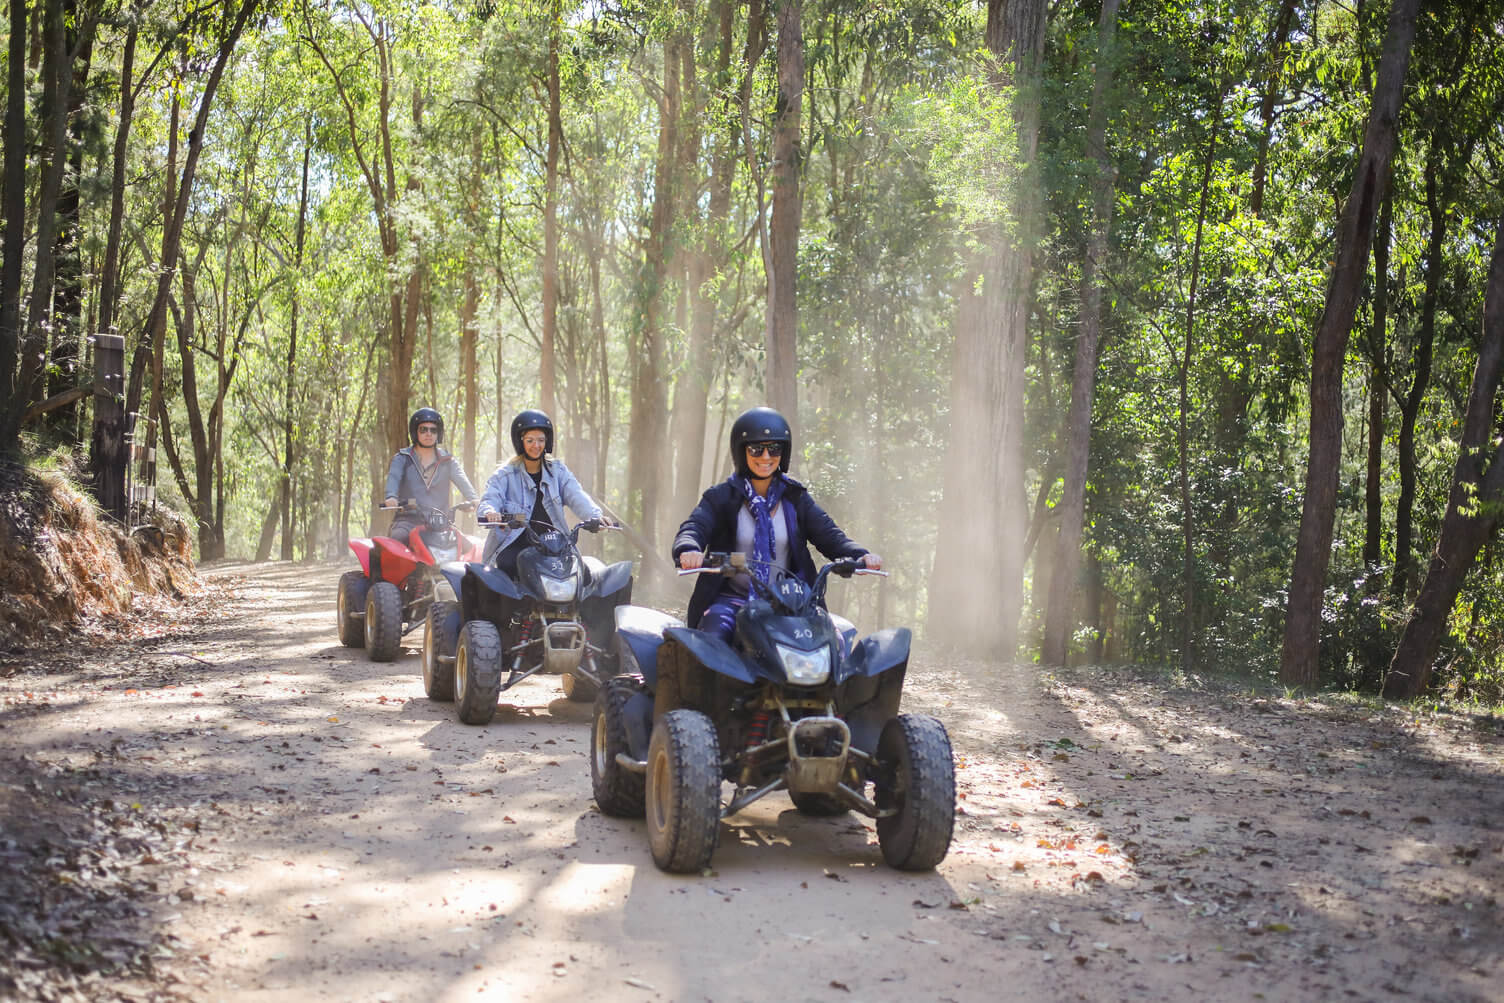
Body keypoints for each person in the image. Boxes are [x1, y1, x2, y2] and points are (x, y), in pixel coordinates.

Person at [672, 406, 882, 644]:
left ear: (784, 452)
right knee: (711, 641)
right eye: (756, 448)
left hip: (791, 603)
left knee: (834, 644)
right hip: (733, 601)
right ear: (741, 452)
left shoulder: (795, 497)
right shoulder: (721, 497)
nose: (765, 457)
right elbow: (694, 527)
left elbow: (830, 536)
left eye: (774, 448)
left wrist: (861, 555)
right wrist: (689, 549)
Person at [476, 409, 609, 578]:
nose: (536, 445)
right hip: (516, 544)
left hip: (553, 545)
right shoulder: (505, 475)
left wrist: (596, 516)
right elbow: (491, 498)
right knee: (506, 568)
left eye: (541, 440)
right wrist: (490, 512)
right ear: (520, 442)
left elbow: (576, 495)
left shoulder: (558, 471)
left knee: (584, 576)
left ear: (547, 441)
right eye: (530, 440)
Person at [383, 407, 480, 545]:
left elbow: (462, 479)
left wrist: (474, 499)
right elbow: (393, 478)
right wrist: (391, 497)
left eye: (433, 430)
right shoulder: (402, 458)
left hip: (441, 523)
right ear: (415, 432)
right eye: (423, 429)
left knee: (467, 547)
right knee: (397, 541)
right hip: (408, 521)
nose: (428, 434)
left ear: (438, 433)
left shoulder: (447, 460)